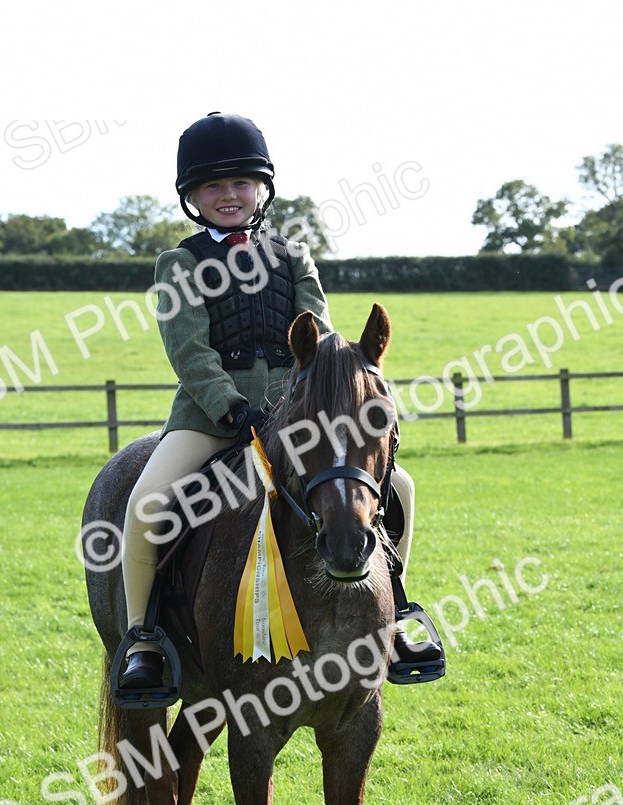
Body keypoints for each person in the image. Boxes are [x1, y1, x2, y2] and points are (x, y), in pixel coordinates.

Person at [117, 112, 442, 697]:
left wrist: (322, 399)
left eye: (240, 183)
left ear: (262, 189)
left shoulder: (293, 257)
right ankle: (143, 639)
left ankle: (395, 615)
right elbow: (190, 353)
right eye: (213, 185)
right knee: (146, 504)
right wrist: (234, 410)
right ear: (192, 195)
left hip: (296, 418)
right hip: (212, 421)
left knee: (401, 489)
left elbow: (318, 337)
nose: (228, 195)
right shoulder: (180, 264)